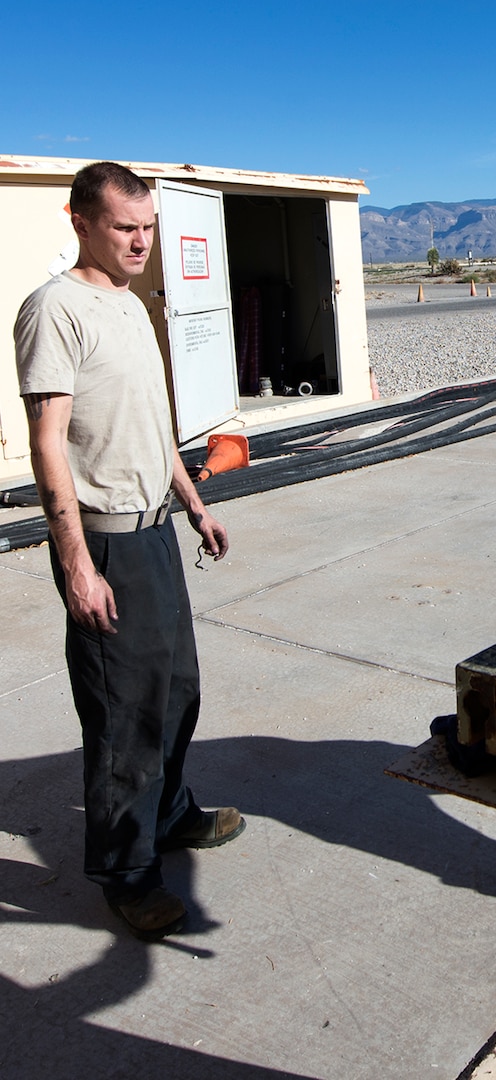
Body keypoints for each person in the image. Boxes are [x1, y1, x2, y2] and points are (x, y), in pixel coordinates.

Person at [14, 161, 245, 942]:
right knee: (123, 718)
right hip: (105, 543)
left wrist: (193, 502)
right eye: (125, 227)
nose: (141, 241)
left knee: (176, 692)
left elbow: (152, 427)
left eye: (147, 227)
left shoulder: (132, 304)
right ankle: (125, 874)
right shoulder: (55, 310)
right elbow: (47, 444)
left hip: (156, 533)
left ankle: (171, 817)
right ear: (80, 222)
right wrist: (76, 562)